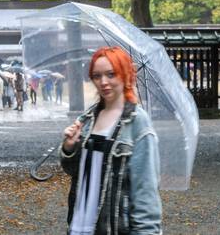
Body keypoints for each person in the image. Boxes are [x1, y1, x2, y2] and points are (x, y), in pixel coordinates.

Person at [60, 47, 162, 234]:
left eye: (111, 74)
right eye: (97, 76)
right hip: (79, 225)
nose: (103, 82)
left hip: (114, 227)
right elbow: (74, 171)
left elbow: (145, 192)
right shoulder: (88, 117)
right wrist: (69, 147)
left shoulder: (137, 122)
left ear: (124, 75)